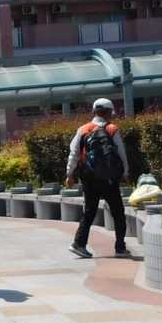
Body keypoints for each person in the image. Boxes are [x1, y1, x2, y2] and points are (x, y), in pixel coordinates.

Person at [66, 97, 131, 259]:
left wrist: (69, 174)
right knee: (118, 212)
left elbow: (74, 154)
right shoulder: (112, 129)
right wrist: (125, 172)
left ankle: (79, 244)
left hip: (89, 177)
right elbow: (121, 153)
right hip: (109, 179)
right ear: (109, 112)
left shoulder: (83, 129)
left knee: (89, 211)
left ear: (94, 112)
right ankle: (120, 247)